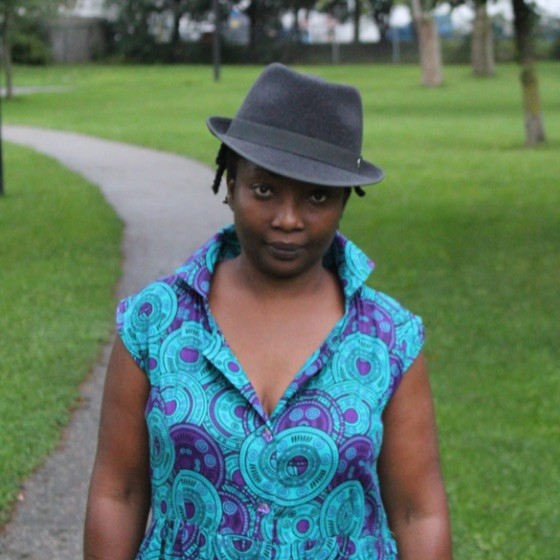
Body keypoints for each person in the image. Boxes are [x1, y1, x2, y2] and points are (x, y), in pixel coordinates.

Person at [84, 63, 452, 560]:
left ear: (345, 199)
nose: (287, 219)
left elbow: (418, 512)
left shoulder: (388, 337)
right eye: (264, 190)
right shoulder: (155, 321)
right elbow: (118, 491)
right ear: (230, 182)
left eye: (317, 197)